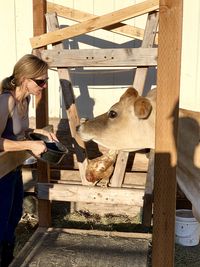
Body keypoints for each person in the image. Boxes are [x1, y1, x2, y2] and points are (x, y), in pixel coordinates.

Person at [0, 54, 57, 267]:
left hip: (12, 167)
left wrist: (38, 132)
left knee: (14, 216)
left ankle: (8, 259)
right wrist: (30, 145)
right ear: (25, 79)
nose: (44, 85)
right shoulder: (6, 100)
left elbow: (19, 131)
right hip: (1, 171)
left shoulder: (25, 98)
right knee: (1, 220)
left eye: (46, 80)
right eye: (40, 81)